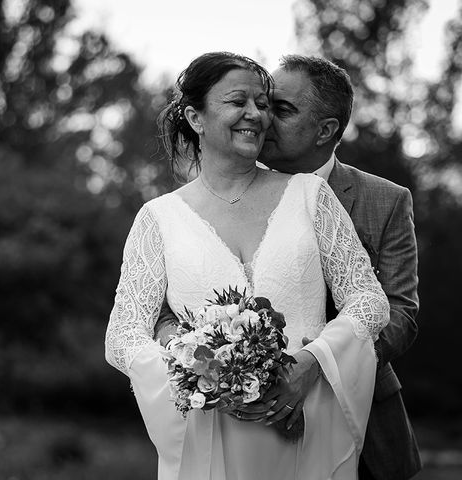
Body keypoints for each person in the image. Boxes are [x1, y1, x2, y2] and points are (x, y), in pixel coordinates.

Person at [105, 51, 389, 480]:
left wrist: (310, 365)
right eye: (238, 102)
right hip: (211, 434)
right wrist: (205, 376)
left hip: (307, 422)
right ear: (195, 118)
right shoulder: (158, 219)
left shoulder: (310, 196)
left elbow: (368, 300)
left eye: (263, 103)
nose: (256, 115)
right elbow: (123, 335)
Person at [257, 55, 421, 480]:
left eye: (283, 109)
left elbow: (402, 313)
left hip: (365, 419)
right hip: (257, 419)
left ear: (326, 129)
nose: (263, 118)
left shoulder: (385, 200)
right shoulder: (232, 193)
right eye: (264, 104)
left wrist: (323, 364)